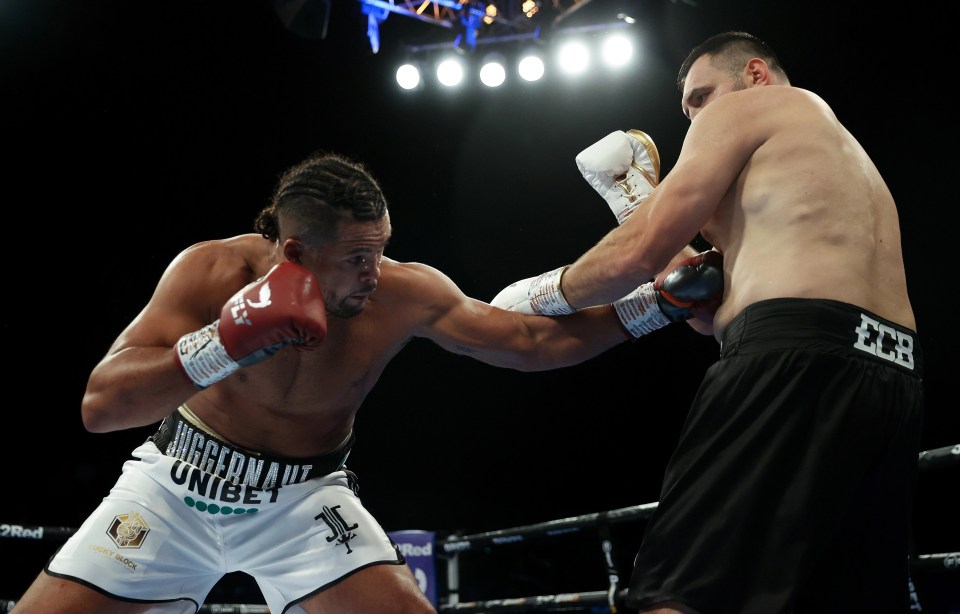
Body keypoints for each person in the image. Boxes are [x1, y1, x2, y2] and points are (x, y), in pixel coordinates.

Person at [11, 150, 721, 614]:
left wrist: (653, 308)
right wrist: (222, 345)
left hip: (303, 504)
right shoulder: (211, 272)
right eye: (355, 257)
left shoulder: (402, 293)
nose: (372, 273)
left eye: (379, 250)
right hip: (172, 492)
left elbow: (529, 342)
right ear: (294, 251)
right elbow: (102, 406)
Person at [492, 31, 924, 613]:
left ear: (754, 74)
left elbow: (635, 256)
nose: (694, 116)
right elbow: (706, 300)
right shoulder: (831, 158)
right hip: (893, 376)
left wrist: (545, 294)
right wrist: (636, 201)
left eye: (700, 97)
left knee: (680, 593)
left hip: (790, 362)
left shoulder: (750, 109)